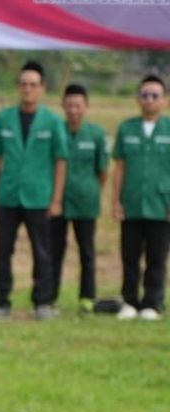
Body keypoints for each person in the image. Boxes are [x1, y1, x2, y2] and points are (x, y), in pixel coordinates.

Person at [0, 61, 68, 320]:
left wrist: (56, 199)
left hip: (39, 196)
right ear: (18, 87)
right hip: (8, 195)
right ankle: (2, 301)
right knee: (3, 250)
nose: (28, 89)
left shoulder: (53, 122)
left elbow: (60, 161)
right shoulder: (3, 118)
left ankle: (42, 302)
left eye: (33, 85)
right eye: (23, 84)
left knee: (42, 251)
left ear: (42, 88)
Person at [111, 75, 170, 321]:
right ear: (138, 99)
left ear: (165, 100)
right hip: (133, 203)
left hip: (161, 204)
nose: (149, 100)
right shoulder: (127, 128)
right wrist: (115, 201)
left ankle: (152, 302)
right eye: (144, 95)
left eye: (155, 95)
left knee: (157, 256)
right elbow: (120, 168)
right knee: (130, 255)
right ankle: (130, 300)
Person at [51, 84, 108, 309]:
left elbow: (103, 171)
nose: (73, 110)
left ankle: (87, 297)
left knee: (87, 251)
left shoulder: (96, 134)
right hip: (58, 202)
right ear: (63, 106)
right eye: (69, 105)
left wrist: (90, 190)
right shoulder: (57, 130)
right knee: (55, 251)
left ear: (86, 107)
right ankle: (49, 296)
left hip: (85, 203)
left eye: (78, 105)